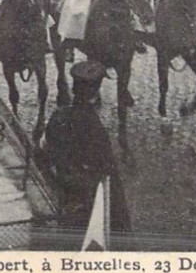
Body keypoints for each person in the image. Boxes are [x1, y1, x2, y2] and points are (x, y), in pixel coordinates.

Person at [44, 60, 131, 242]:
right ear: (95, 92)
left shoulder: (58, 115)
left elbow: (47, 149)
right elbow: (107, 169)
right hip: (84, 191)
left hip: (60, 182)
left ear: (74, 89)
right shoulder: (95, 128)